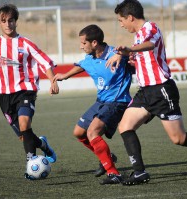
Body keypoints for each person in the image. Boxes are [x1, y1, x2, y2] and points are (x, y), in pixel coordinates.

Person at [106, 0, 187, 186]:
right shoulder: (138, 36)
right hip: (146, 92)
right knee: (125, 126)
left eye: (120, 20)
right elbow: (144, 56)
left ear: (130, 17)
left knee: (178, 138)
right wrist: (127, 58)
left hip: (162, 90)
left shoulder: (150, 28)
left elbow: (149, 44)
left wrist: (129, 50)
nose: (121, 24)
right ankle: (139, 172)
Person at [0, 4, 59, 180]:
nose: (8, 24)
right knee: (24, 136)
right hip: (3, 96)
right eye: (4, 21)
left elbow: (44, 62)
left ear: (16, 21)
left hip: (25, 90)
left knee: (24, 124)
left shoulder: (26, 43)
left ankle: (31, 164)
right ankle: (42, 145)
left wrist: (53, 80)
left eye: (11, 20)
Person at [53, 24, 133, 185]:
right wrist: (65, 76)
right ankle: (107, 158)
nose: (80, 46)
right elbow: (81, 66)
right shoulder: (90, 58)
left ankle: (113, 173)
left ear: (94, 43)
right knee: (78, 133)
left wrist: (125, 55)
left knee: (92, 132)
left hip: (117, 102)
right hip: (101, 101)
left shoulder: (115, 54)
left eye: (83, 43)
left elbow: (134, 55)